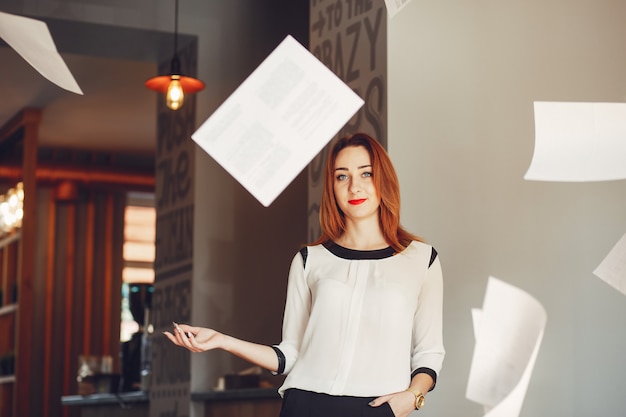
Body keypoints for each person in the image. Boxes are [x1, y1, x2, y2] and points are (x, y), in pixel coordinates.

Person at [164, 133, 445, 417]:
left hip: (378, 408)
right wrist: (222, 340)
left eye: (366, 173)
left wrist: (412, 397)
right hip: (306, 405)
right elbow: (289, 356)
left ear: (383, 179)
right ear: (332, 187)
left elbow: (429, 353)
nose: (354, 187)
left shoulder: (421, 260)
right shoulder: (310, 260)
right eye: (342, 177)